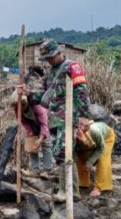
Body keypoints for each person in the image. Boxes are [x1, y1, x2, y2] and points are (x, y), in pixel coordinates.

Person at [20, 39, 91, 202]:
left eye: (52, 57)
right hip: (55, 120)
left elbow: (82, 92)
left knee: (63, 152)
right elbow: (44, 97)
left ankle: (66, 191)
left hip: (68, 118)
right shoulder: (51, 72)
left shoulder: (72, 66)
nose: (50, 60)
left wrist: (84, 116)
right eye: (47, 59)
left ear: (59, 52)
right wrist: (29, 93)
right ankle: (71, 191)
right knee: (62, 154)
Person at [10, 91, 53, 172]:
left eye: (21, 106)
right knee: (32, 146)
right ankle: (35, 170)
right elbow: (23, 121)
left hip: (44, 122)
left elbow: (44, 124)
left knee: (46, 144)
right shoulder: (17, 109)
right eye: (16, 107)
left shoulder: (37, 106)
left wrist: (40, 139)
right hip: (32, 124)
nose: (18, 108)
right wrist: (30, 132)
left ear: (24, 104)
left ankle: (47, 170)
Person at [75, 121, 115, 197]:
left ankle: (100, 187)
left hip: (106, 138)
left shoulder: (95, 132)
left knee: (102, 159)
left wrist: (90, 162)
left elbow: (100, 148)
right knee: (80, 157)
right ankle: (82, 182)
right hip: (86, 143)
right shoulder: (73, 136)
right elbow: (74, 152)